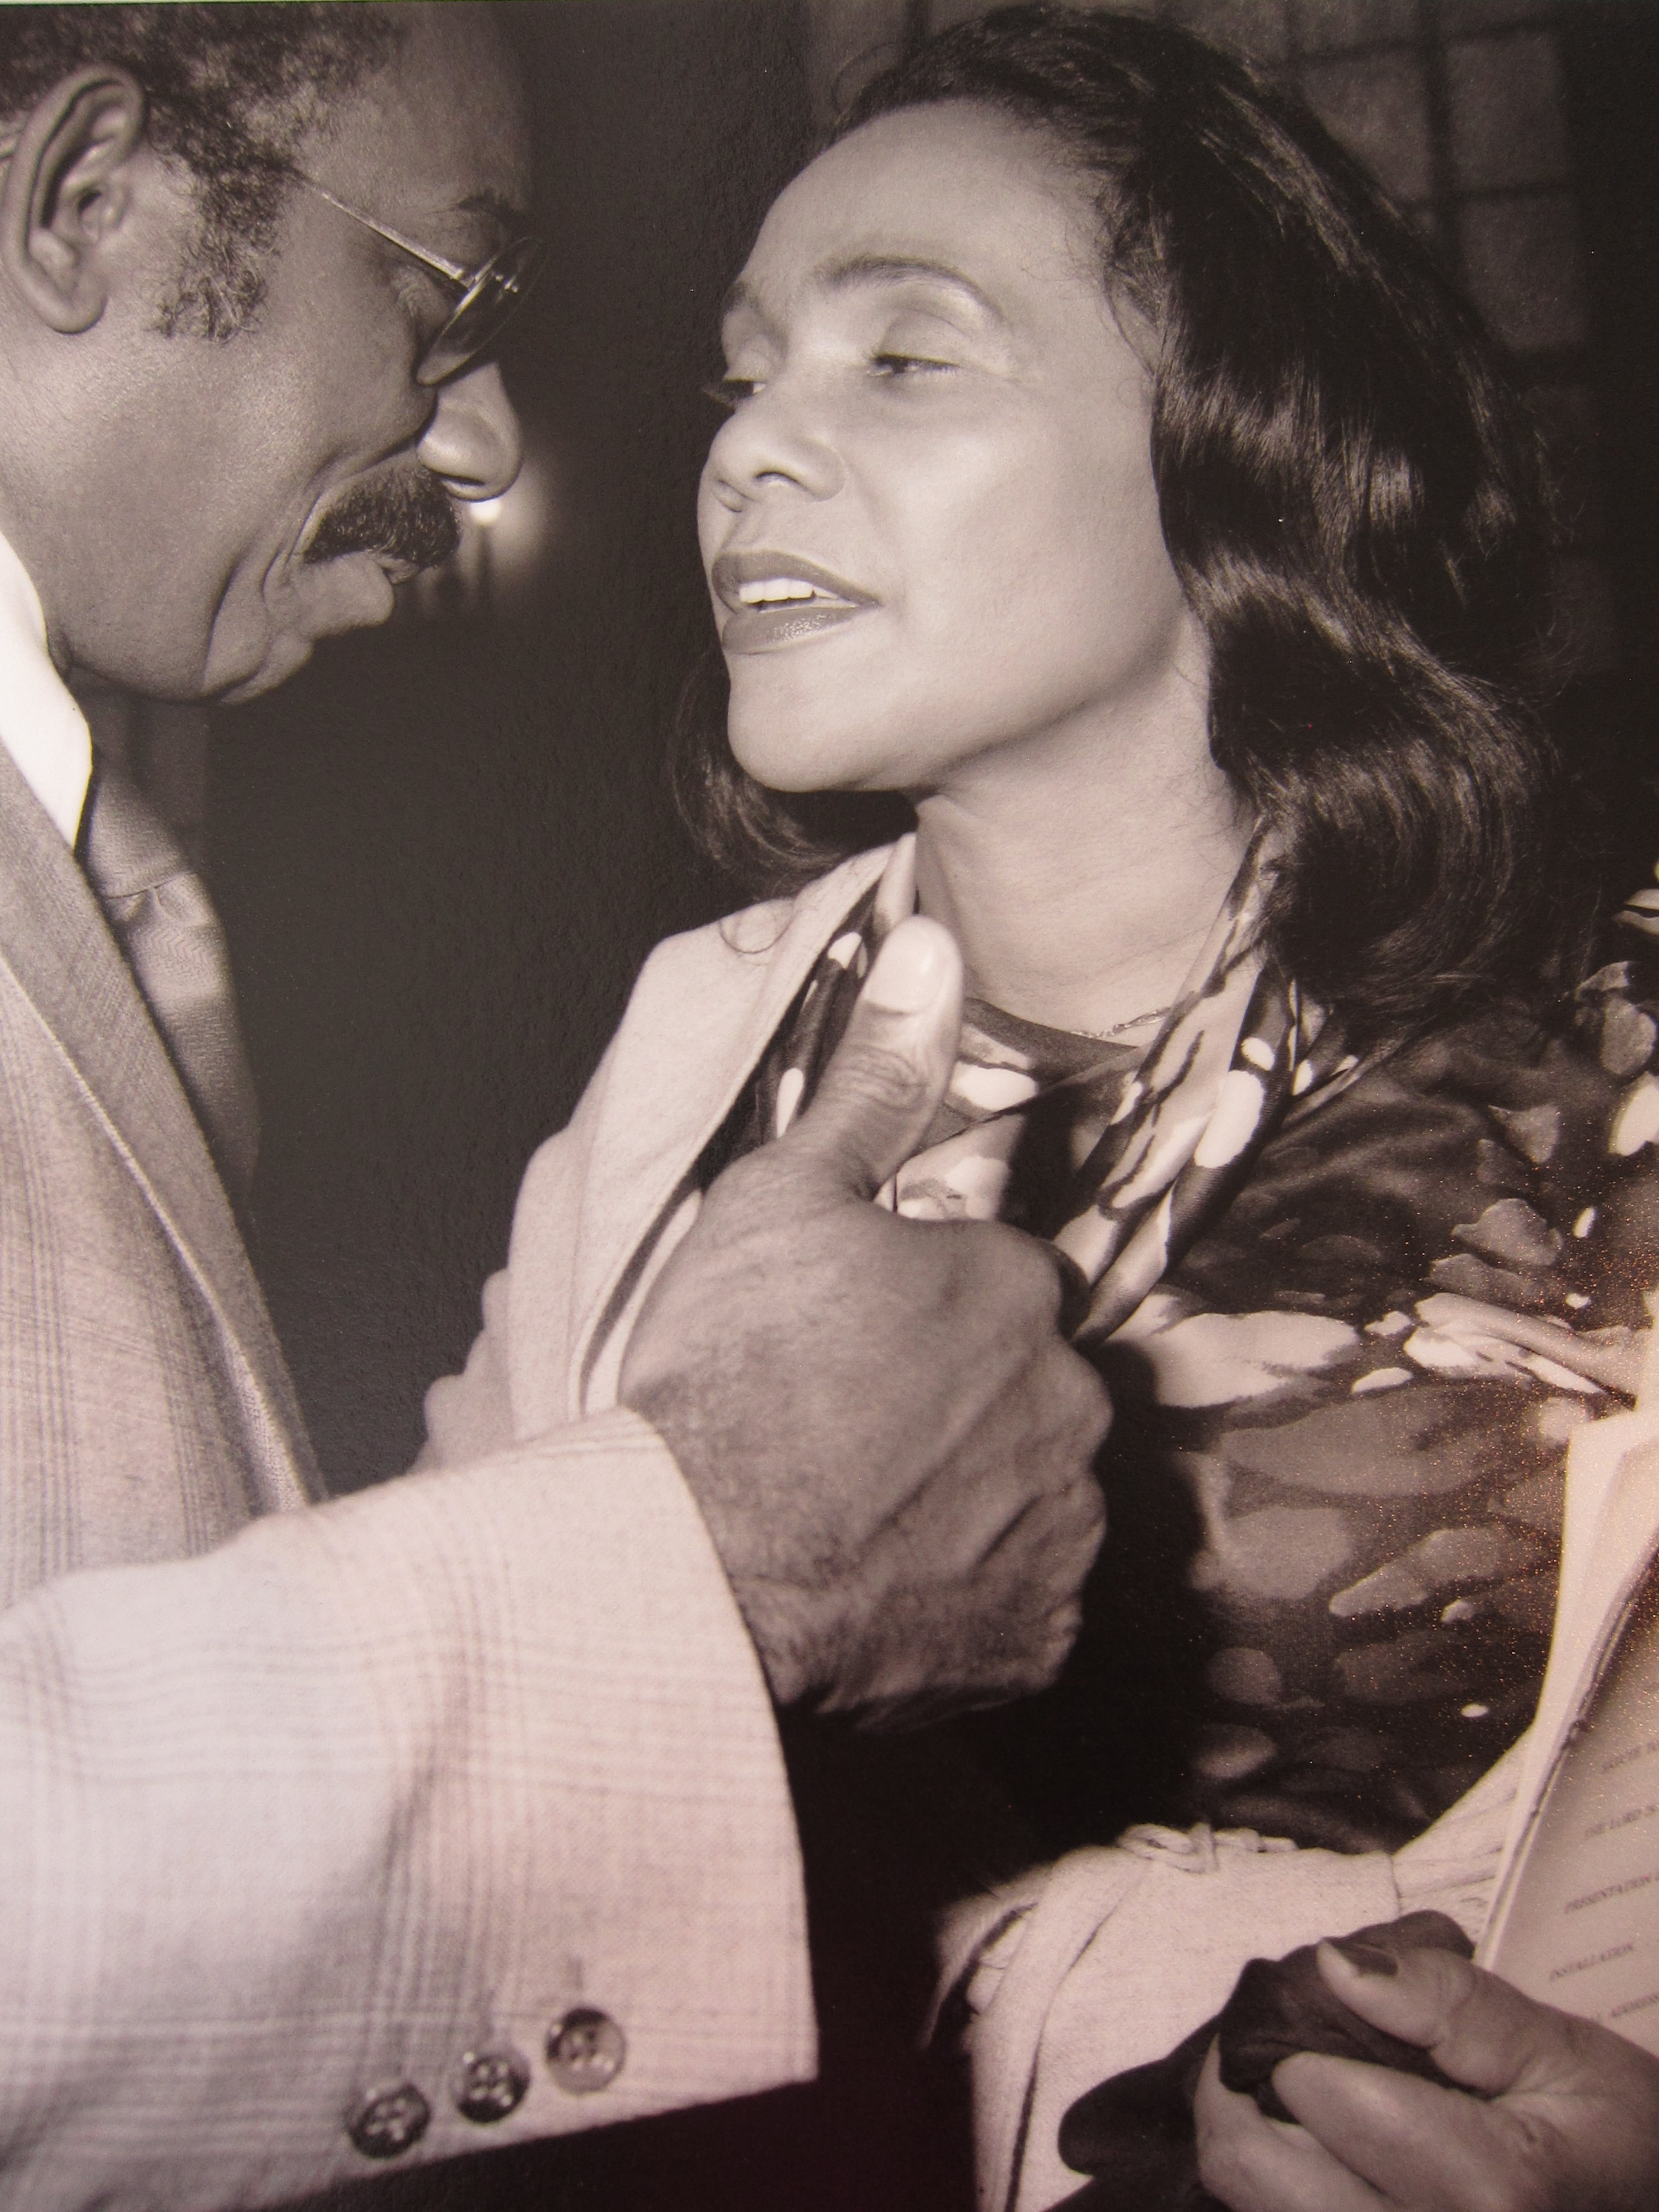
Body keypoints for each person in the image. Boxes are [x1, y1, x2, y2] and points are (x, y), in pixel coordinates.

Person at [422, 6, 1659, 2207]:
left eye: (903, 360)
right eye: (744, 369)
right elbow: (452, 1761)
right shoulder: (694, 1042)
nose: (746, 455)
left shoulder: (1609, 1048)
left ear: (1243, 448)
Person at [0, 6, 1115, 2206]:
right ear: (82, 203)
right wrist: (712, 1563)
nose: (490, 444)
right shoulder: (683, 1046)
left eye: (906, 358)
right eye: (442, 295)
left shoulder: (101, 835)